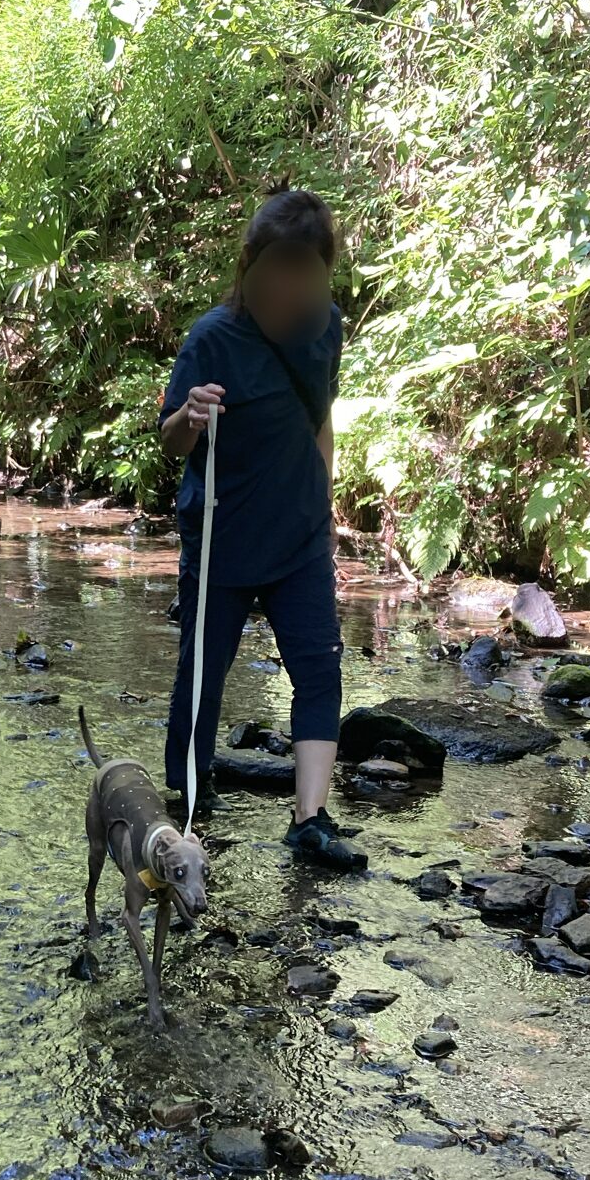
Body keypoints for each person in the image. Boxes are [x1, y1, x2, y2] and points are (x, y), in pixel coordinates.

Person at [158, 187, 366, 872]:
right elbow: (172, 442)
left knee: (318, 669)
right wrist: (190, 414)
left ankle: (309, 819)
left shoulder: (326, 328)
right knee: (203, 673)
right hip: (223, 536)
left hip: (298, 534)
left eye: (303, 270)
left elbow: (320, 418)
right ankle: (189, 793)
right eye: (276, 267)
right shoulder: (212, 338)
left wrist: (325, 507)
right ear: (250, 264)